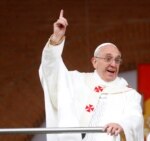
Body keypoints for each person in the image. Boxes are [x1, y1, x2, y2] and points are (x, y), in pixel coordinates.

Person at [39, 10, 144, 141]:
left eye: (117, 60)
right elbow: (51, 71)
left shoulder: (128, 94)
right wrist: (56, 39)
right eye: (108, 58)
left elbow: (135, 117)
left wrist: (122, 124)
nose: (113, 64)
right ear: (94, 62)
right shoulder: (76, 80)